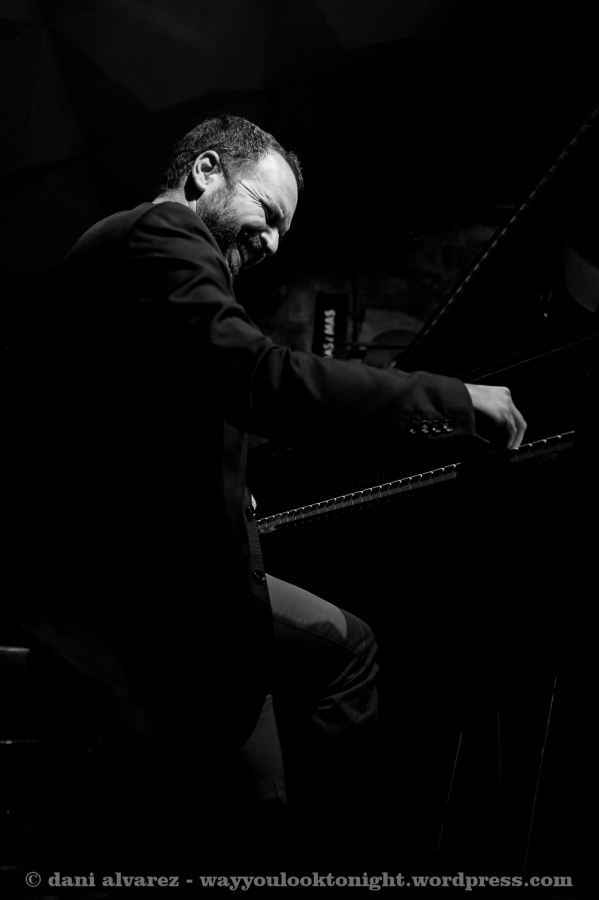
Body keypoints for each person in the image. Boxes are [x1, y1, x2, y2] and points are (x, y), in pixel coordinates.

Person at [9, 115, 526, 867]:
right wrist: (450, 399)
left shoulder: (120, 252)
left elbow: (132, 415)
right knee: (345, 658)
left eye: (284, 229)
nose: (274, 243)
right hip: (141, 595)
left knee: (261, 807)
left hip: (130, 579)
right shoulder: (163, 234)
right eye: (268, 213)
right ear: (206, 172)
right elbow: (256, 376)